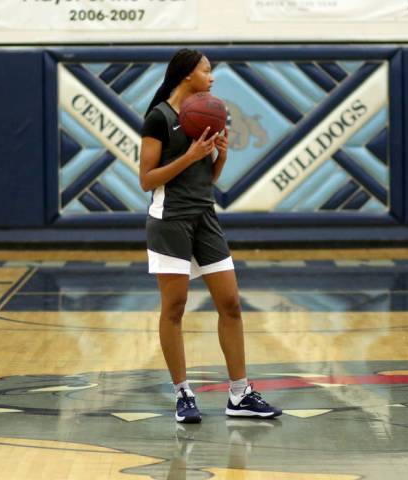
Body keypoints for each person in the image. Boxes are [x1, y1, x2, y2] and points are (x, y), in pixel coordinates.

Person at [139, 48, 281, 423]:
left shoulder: (205, 116)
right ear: (187, 74)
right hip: (170, 221)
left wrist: (218, 157)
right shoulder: (159, 118)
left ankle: (240, 394)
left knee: (231, 303)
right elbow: (146, 181)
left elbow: (205, 182)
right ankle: (183, 394)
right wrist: (189, 156)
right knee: (175, 308)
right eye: (207, 69)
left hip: (205, 217)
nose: (212, 76)